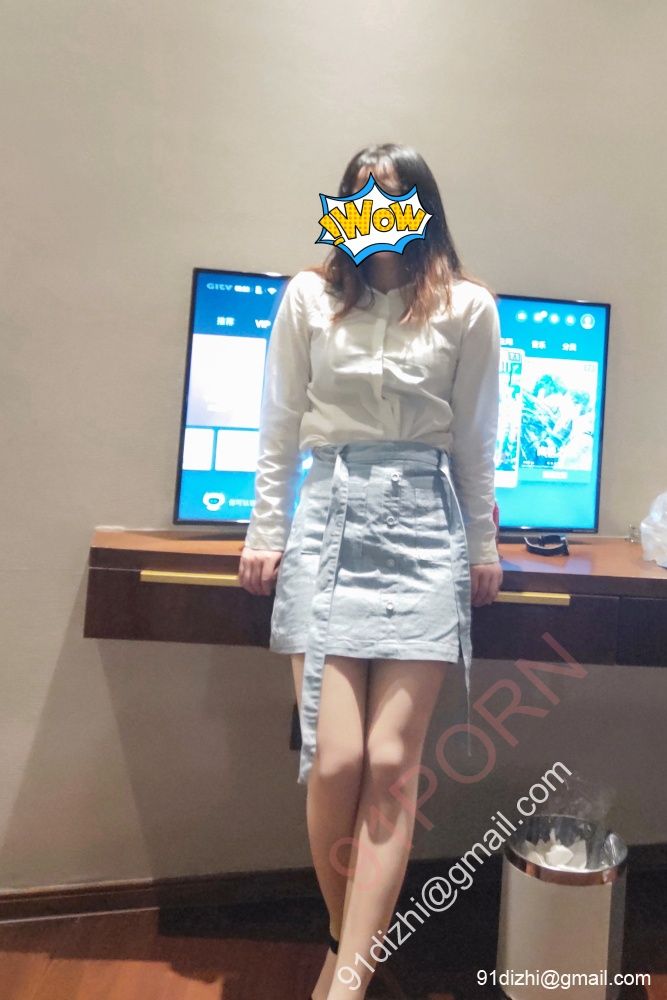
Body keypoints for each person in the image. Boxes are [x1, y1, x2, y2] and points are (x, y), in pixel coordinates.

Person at [239, 143, 503, 1000]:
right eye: (358, 196)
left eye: (388, 197)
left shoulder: (468, 307)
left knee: (391, 762)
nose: (372, 213)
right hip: (328, 516)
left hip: (424, 524)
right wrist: (265, 531)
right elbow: (279, 425)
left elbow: (476, 441)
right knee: (334, 759)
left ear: (421, 207)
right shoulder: (307, 297)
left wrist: (482, 547)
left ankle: (346, 980)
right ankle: (342, 936)